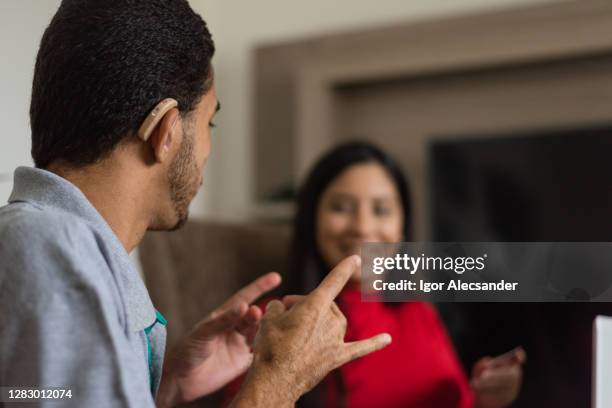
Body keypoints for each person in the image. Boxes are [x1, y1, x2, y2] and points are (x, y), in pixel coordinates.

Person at [0, 2, 391, 407]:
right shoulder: (51, 249)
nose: (207, 149)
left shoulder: (52, 246)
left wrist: (163, 385)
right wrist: (277, 381)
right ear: (165, 130)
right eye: (210, 123)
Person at [228, 141, 526, 407]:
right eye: (342, 207)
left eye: (381, 210)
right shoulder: (274, 320)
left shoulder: (421, 315)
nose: (363, 226)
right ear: (312, 219)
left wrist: (486, 399)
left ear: (402, 226)